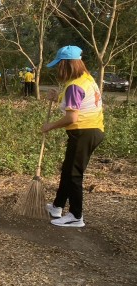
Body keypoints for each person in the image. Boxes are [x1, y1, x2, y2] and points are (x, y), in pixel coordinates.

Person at [42, 45, 105, 228]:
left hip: (84, 132)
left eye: (59, 65)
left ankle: (76, 216)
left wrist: (50, 126)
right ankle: (57, 206)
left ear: (66, 65)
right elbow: (78, 101)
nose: (57, 70)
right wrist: (58, 97)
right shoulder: (86, 78)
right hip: (91, 130)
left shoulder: (75, 86)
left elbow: (72, 117)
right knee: (67, 170)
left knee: (74, 174)